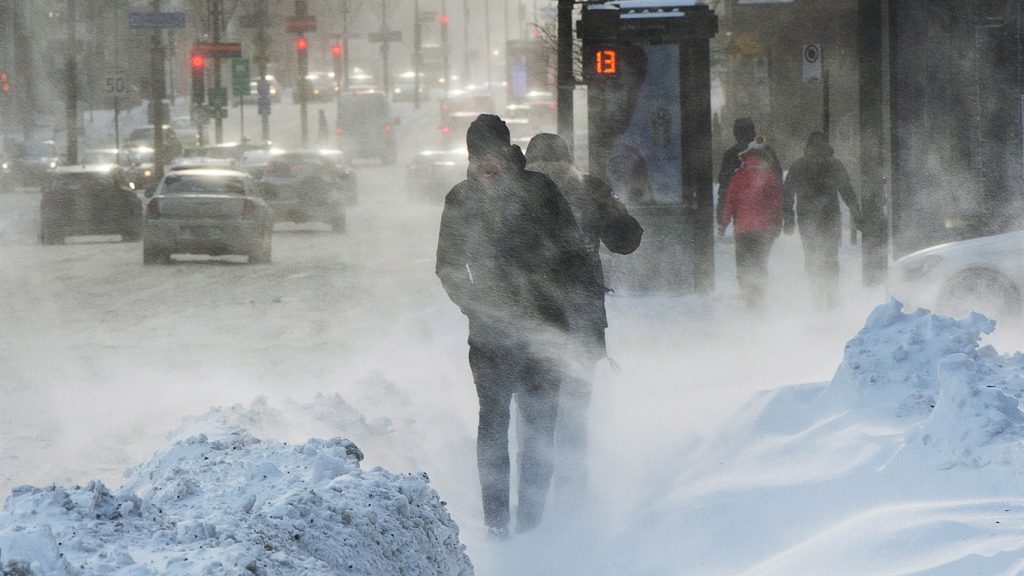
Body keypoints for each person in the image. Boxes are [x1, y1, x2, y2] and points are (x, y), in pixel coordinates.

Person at [435, 114, 587, 539]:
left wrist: (555, 299)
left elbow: (573, 253)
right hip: (490, 335)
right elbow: (447, 266)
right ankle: (496, 525)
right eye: (477, 155)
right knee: (494, 426)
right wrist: (476, 306)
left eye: (493, 154)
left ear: (508, 153)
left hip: (543, 329)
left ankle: (533, 525)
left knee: (539, 431)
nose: (486, 163)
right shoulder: (460, 199)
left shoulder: (541, 193)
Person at [523, 133, 642, 506]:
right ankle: (573, 496)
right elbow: (626, 239)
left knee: (531, 414)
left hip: (528, 321)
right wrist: (616, 206)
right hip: (582, 319)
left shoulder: (515, 192)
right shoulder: (589, 189)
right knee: (575, 410)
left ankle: (531, 500)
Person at [783, 131, 861, 308]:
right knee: (831, 257)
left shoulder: (798, 165)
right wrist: (857, 214)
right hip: (830, 218)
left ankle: (816, 297)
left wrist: (788, 216)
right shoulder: (834, 164)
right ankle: (832, 297)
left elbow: (787, 193)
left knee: (811, 258)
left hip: (807, 220)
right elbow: (847, 191)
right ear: (826, 146)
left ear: (807, 147)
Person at [718, 137, 784, 310]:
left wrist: (723, 225)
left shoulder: (738, 176)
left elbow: (730, 202)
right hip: (765, 230)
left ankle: (749, 297)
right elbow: (777, 203)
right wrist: (778, 224)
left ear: (747, 155)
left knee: (744, 264)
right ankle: (759, 297)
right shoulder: (769, 176)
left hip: (743, 230)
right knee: (760, 263)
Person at [717, 118, 782, 226]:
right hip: (766, 212)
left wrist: (721, 214)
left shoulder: (730, 154)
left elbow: (724, 186)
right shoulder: (767, 151)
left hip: (741, 216)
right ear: (753, 133)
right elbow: (778, 179)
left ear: (735, 134)